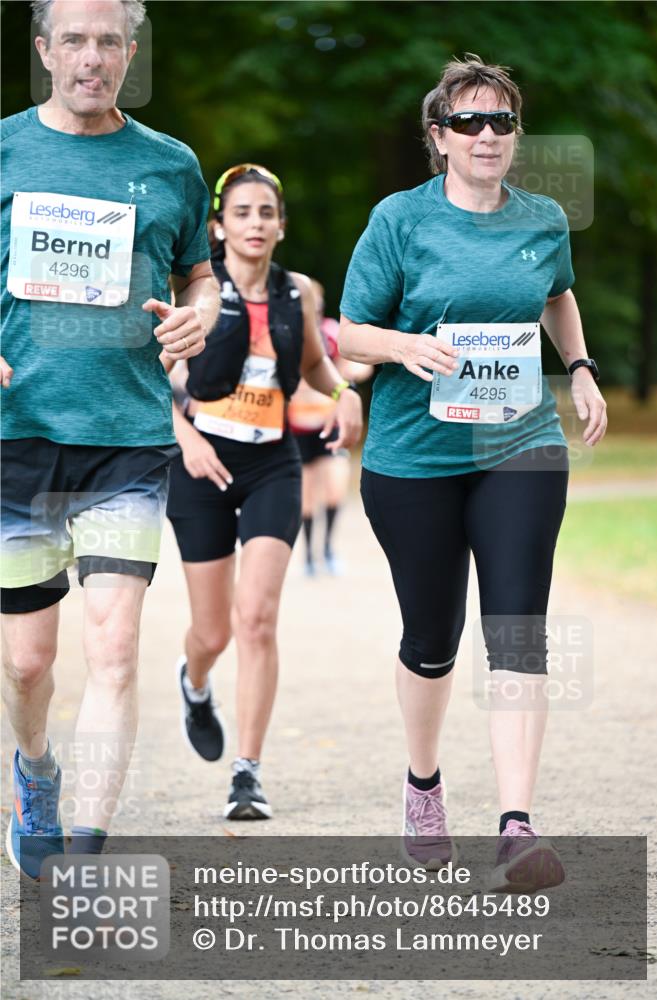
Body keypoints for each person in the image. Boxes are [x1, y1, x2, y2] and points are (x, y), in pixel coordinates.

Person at [338, 54, 607, 884]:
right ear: (439, 137)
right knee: (431, 639)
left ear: (514, 135)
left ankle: (516, 825)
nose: (485, 135)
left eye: (500, 121)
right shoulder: (399, 221)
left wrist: (583, 366)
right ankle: (423, 786)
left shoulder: (543, 220)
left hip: (519, 446)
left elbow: (558, 294)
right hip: (412, 457)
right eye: (467, 122)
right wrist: (403, 345)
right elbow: (346, 333)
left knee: (518, 632)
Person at [0, 0, 219, 879]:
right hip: (19, 436)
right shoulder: (7, 148)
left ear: (130, 52)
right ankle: (36, 771)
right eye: (75, 41)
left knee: (116, 645)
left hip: (126, 440)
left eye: (109, 42)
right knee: (26, 664)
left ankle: (83, 860)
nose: (92, 58)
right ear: (46, 49)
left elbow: (199, 276)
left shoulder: (170, 165)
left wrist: (200, 319)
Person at [166, 164, 362, 820]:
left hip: (272, 463)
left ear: (280, 225)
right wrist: (185, 439)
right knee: (214, 630)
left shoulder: (296, 291)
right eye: (242, 213)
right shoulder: (195, 292)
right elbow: (143, 377)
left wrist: (342, 392)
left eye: (266, 213)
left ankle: (246, 773)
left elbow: (310, 362)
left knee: (257, 617)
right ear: (217, 225)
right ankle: (194, 683)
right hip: (201, 466)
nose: (255, 224)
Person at [287, 281, 373, 575]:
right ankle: (310, 556)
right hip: (298, 427)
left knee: (335, 490)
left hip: (330, 423)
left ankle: (327, 548)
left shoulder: (330, 332)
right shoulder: (286, 332)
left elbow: (362, 363)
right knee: (307, 497)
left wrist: (348, 375)